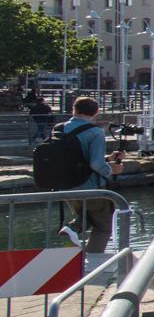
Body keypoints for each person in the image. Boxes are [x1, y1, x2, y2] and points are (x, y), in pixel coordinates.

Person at [58, 97, 121, 252]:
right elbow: (95, 164)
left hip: (65, 187)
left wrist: (107, 159)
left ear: (74, 109)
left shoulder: (58, 129)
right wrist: (111, 169)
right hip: (91, 187)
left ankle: (71, 229)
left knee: (87, 216)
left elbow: (78, 159)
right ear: (96, 112)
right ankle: (92, 263)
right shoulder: (95, 132)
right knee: (103, 226)